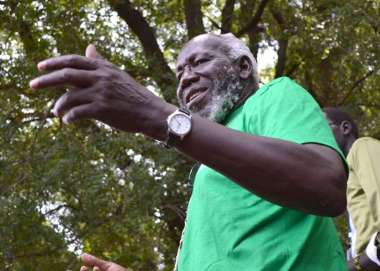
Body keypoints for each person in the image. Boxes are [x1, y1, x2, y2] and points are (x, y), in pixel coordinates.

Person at [30, 33, 348, 271]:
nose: (186, 77)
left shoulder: (273, 96)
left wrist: (158, 115)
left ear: (243, 67)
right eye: (180, 72)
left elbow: (325, 184)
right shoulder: (207, 170)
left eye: (199, 62)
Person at [325, 107, 380, 271]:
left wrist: (356, 264)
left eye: (321, 129)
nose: (317, 137)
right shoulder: (347, 175)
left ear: (345, 128)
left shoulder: (363, 147)